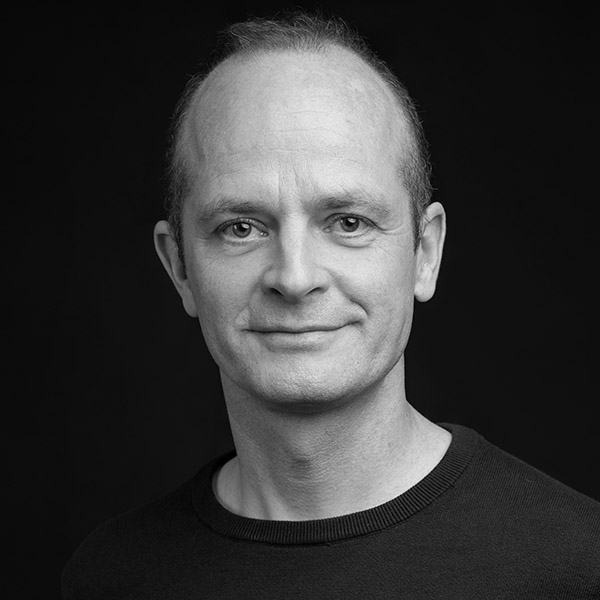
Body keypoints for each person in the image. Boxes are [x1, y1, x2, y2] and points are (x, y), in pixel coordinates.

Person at [62, 12, 600, 599]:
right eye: (241, 227)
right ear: (180, 268)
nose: (295, 278)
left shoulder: (578, 567)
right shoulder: (110, 578)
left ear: (425, 253)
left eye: (348, 222)